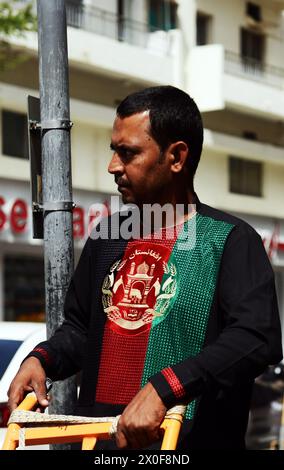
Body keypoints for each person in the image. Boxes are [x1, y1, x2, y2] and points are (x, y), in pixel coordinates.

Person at [8, 86, 282, 450]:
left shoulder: (230, 240)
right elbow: (79, 328)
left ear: (177, 157)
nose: (113, 166)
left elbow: (256, 338)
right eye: (113, 151)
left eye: (128, 153)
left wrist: (166, 387)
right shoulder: (107, 236)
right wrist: (42, 359)